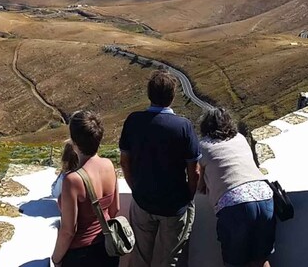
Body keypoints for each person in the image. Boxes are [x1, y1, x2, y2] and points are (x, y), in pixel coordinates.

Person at [119, 71, 200, 267]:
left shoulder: (133, 121)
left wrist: (135, 188)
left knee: (139, 257)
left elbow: (124, 162)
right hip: (174, 205)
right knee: (170, 260)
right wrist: (187, 196)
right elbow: (194, 171)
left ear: (149, 94)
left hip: (143, 201)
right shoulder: (183, 126)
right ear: (172, 96)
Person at [198, 107, 275, 267]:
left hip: (234, 204)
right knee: (261, 260)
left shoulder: (203, 146)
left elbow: (200, 185)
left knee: (234, 262)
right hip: (265, 197)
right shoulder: (240, 138)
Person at [51, 111, 120, 267]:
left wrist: (56, 258)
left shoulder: (73, 180)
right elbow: (115, 209)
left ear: (74, 141)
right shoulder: (109, 166)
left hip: (81, 256)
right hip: (107, 249)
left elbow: (69, 231)